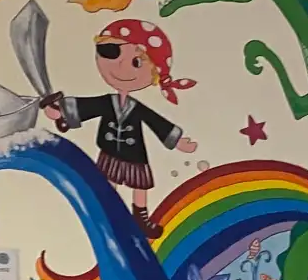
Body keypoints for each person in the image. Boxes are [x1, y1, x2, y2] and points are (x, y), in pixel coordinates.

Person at [51, 17, 198, 237]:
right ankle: (105, 213)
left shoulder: (137, 107)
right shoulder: (107, 102)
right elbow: (86, 108)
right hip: (110, 151)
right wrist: (59, 112)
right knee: (107, 183)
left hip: (134, 154)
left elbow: (156, 122)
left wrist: (177, 140)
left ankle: (141, 218)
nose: (121, 67)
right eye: (110, 52)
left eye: (137, 62)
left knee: (140, 186)